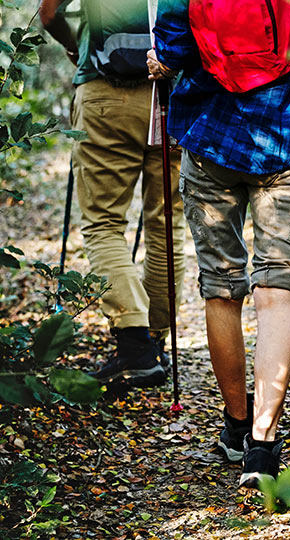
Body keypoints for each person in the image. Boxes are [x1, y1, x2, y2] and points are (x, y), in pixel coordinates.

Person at [148, 0, 290, 487]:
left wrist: (161, 63)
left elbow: (171, 50)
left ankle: (236, 426)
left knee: (221, 287)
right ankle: (262, 447)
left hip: (211, 139)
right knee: (276, 292)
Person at [39, 0, 186, 388]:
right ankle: (154, 343)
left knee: (103, 223)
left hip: (106, 92)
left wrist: (75, 48)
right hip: (174, 95)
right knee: (167, 221)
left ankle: (135, 348)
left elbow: (49, 12)